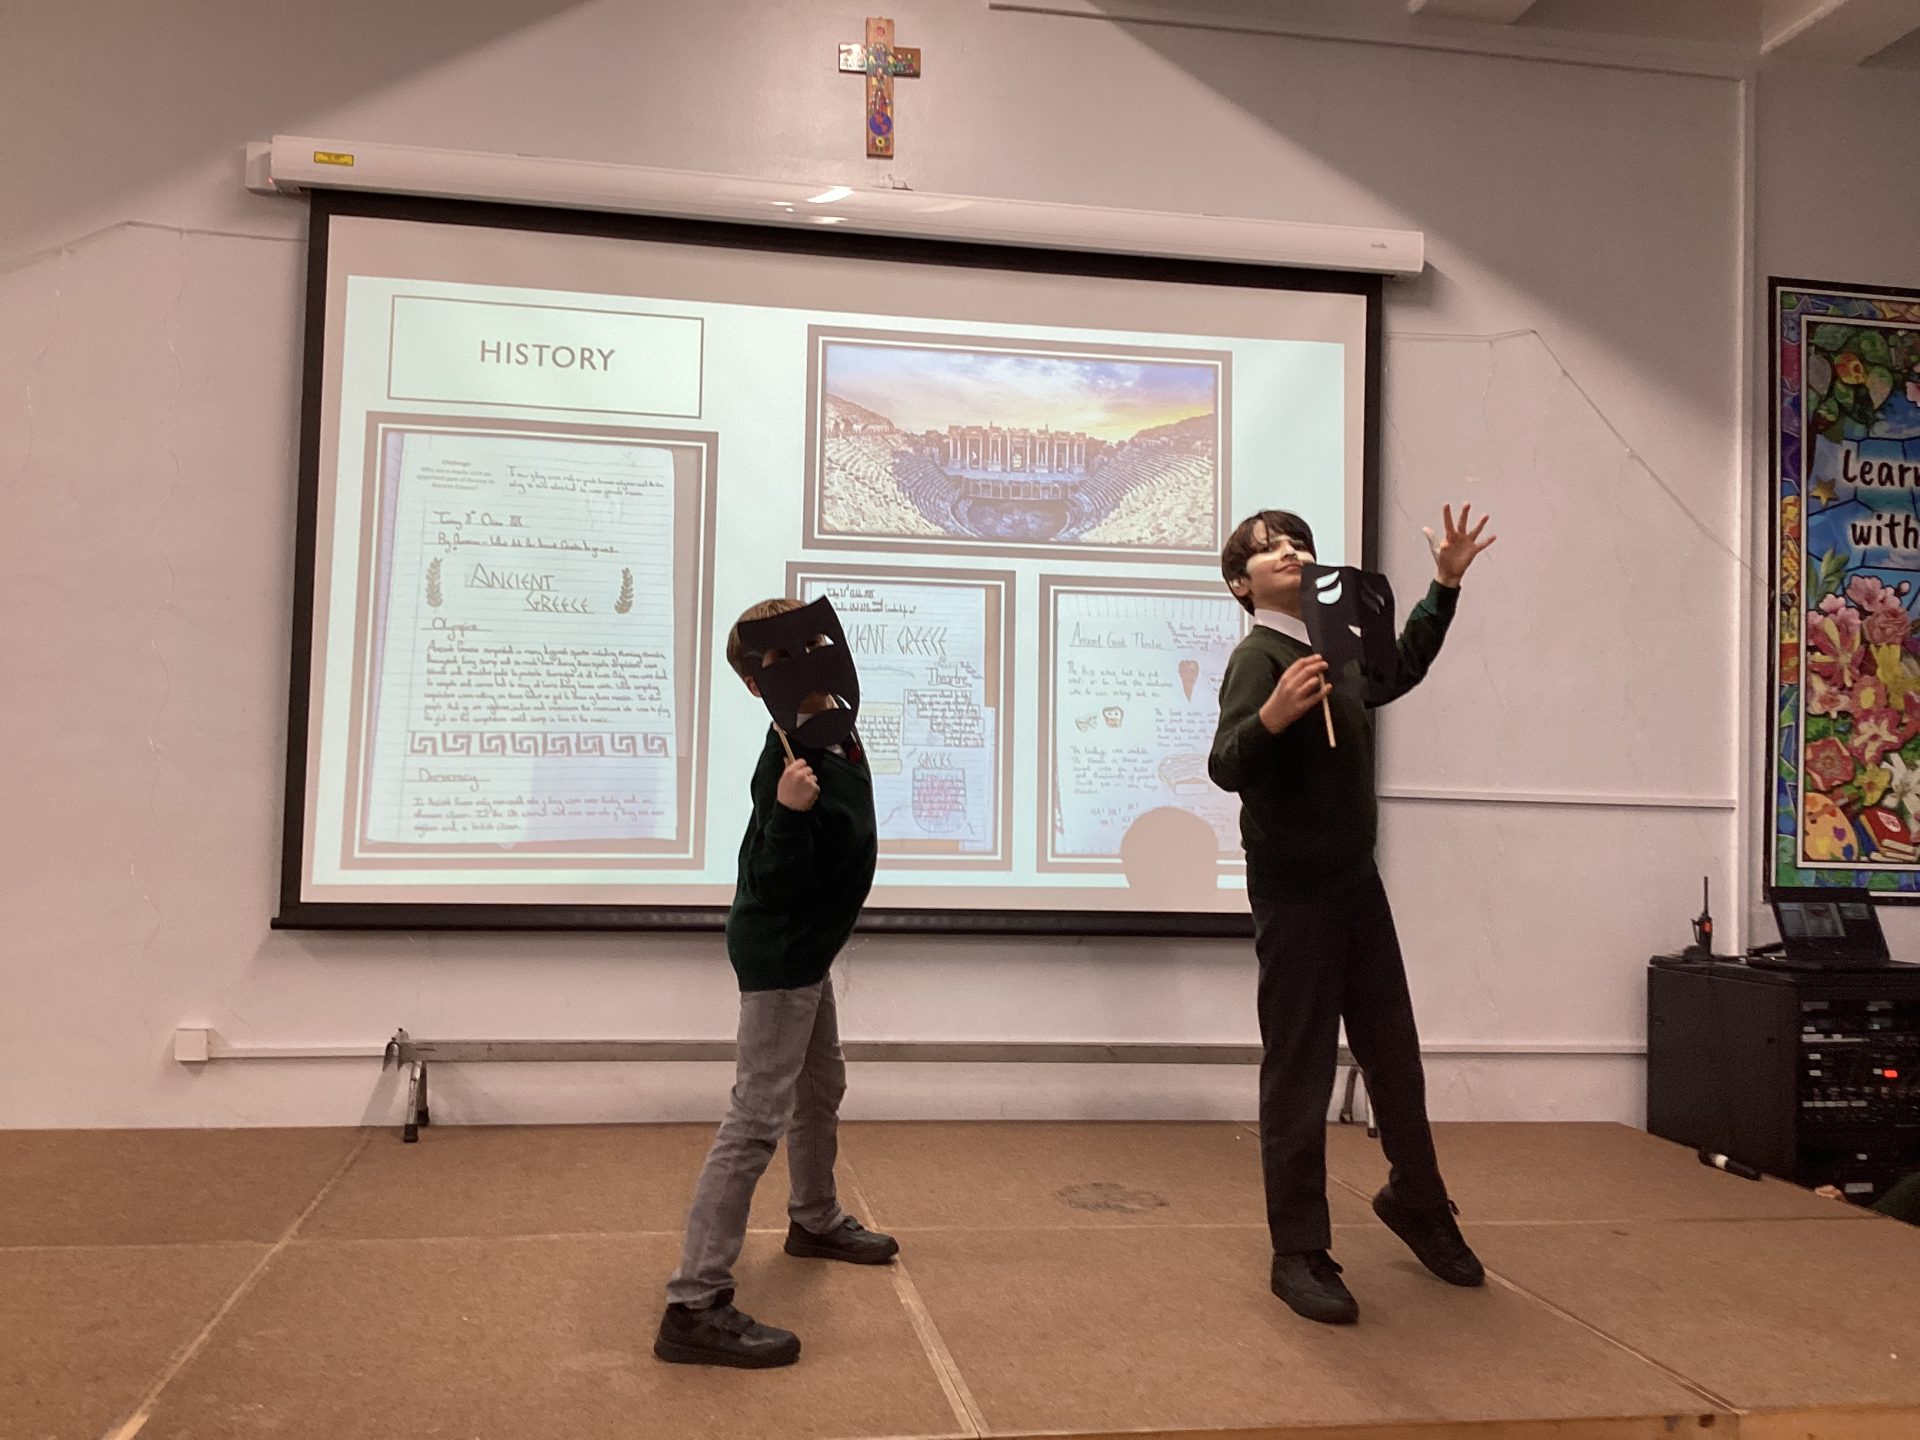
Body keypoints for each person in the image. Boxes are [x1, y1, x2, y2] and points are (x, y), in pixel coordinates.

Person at [1208, 504, 1495, 1325]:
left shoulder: (1331, 644)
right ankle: (1298, 1250)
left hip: (1355, 884)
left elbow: (1396, 671)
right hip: (1295, 895)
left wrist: (1443, 587)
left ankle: (1417, 1198)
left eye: (1298, 542)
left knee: (1394, 1056)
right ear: (1241, 585)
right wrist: (1272, 717)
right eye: (1268, 549)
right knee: (1298, 1072)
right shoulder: (1257, 657)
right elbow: (1225, 764)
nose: (1290, 552)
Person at [654, 597, 898, 1369]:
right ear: (757, 686)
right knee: (757, 1115)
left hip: (810, 949)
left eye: (815, 644)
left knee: (821, 1086)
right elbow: (772, 879)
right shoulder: (789, 763)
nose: (809, 665)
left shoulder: (835, 732)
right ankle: (693, 1303)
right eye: (782, 660)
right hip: (782, 952)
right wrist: (790, 814)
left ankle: (814, 1218)